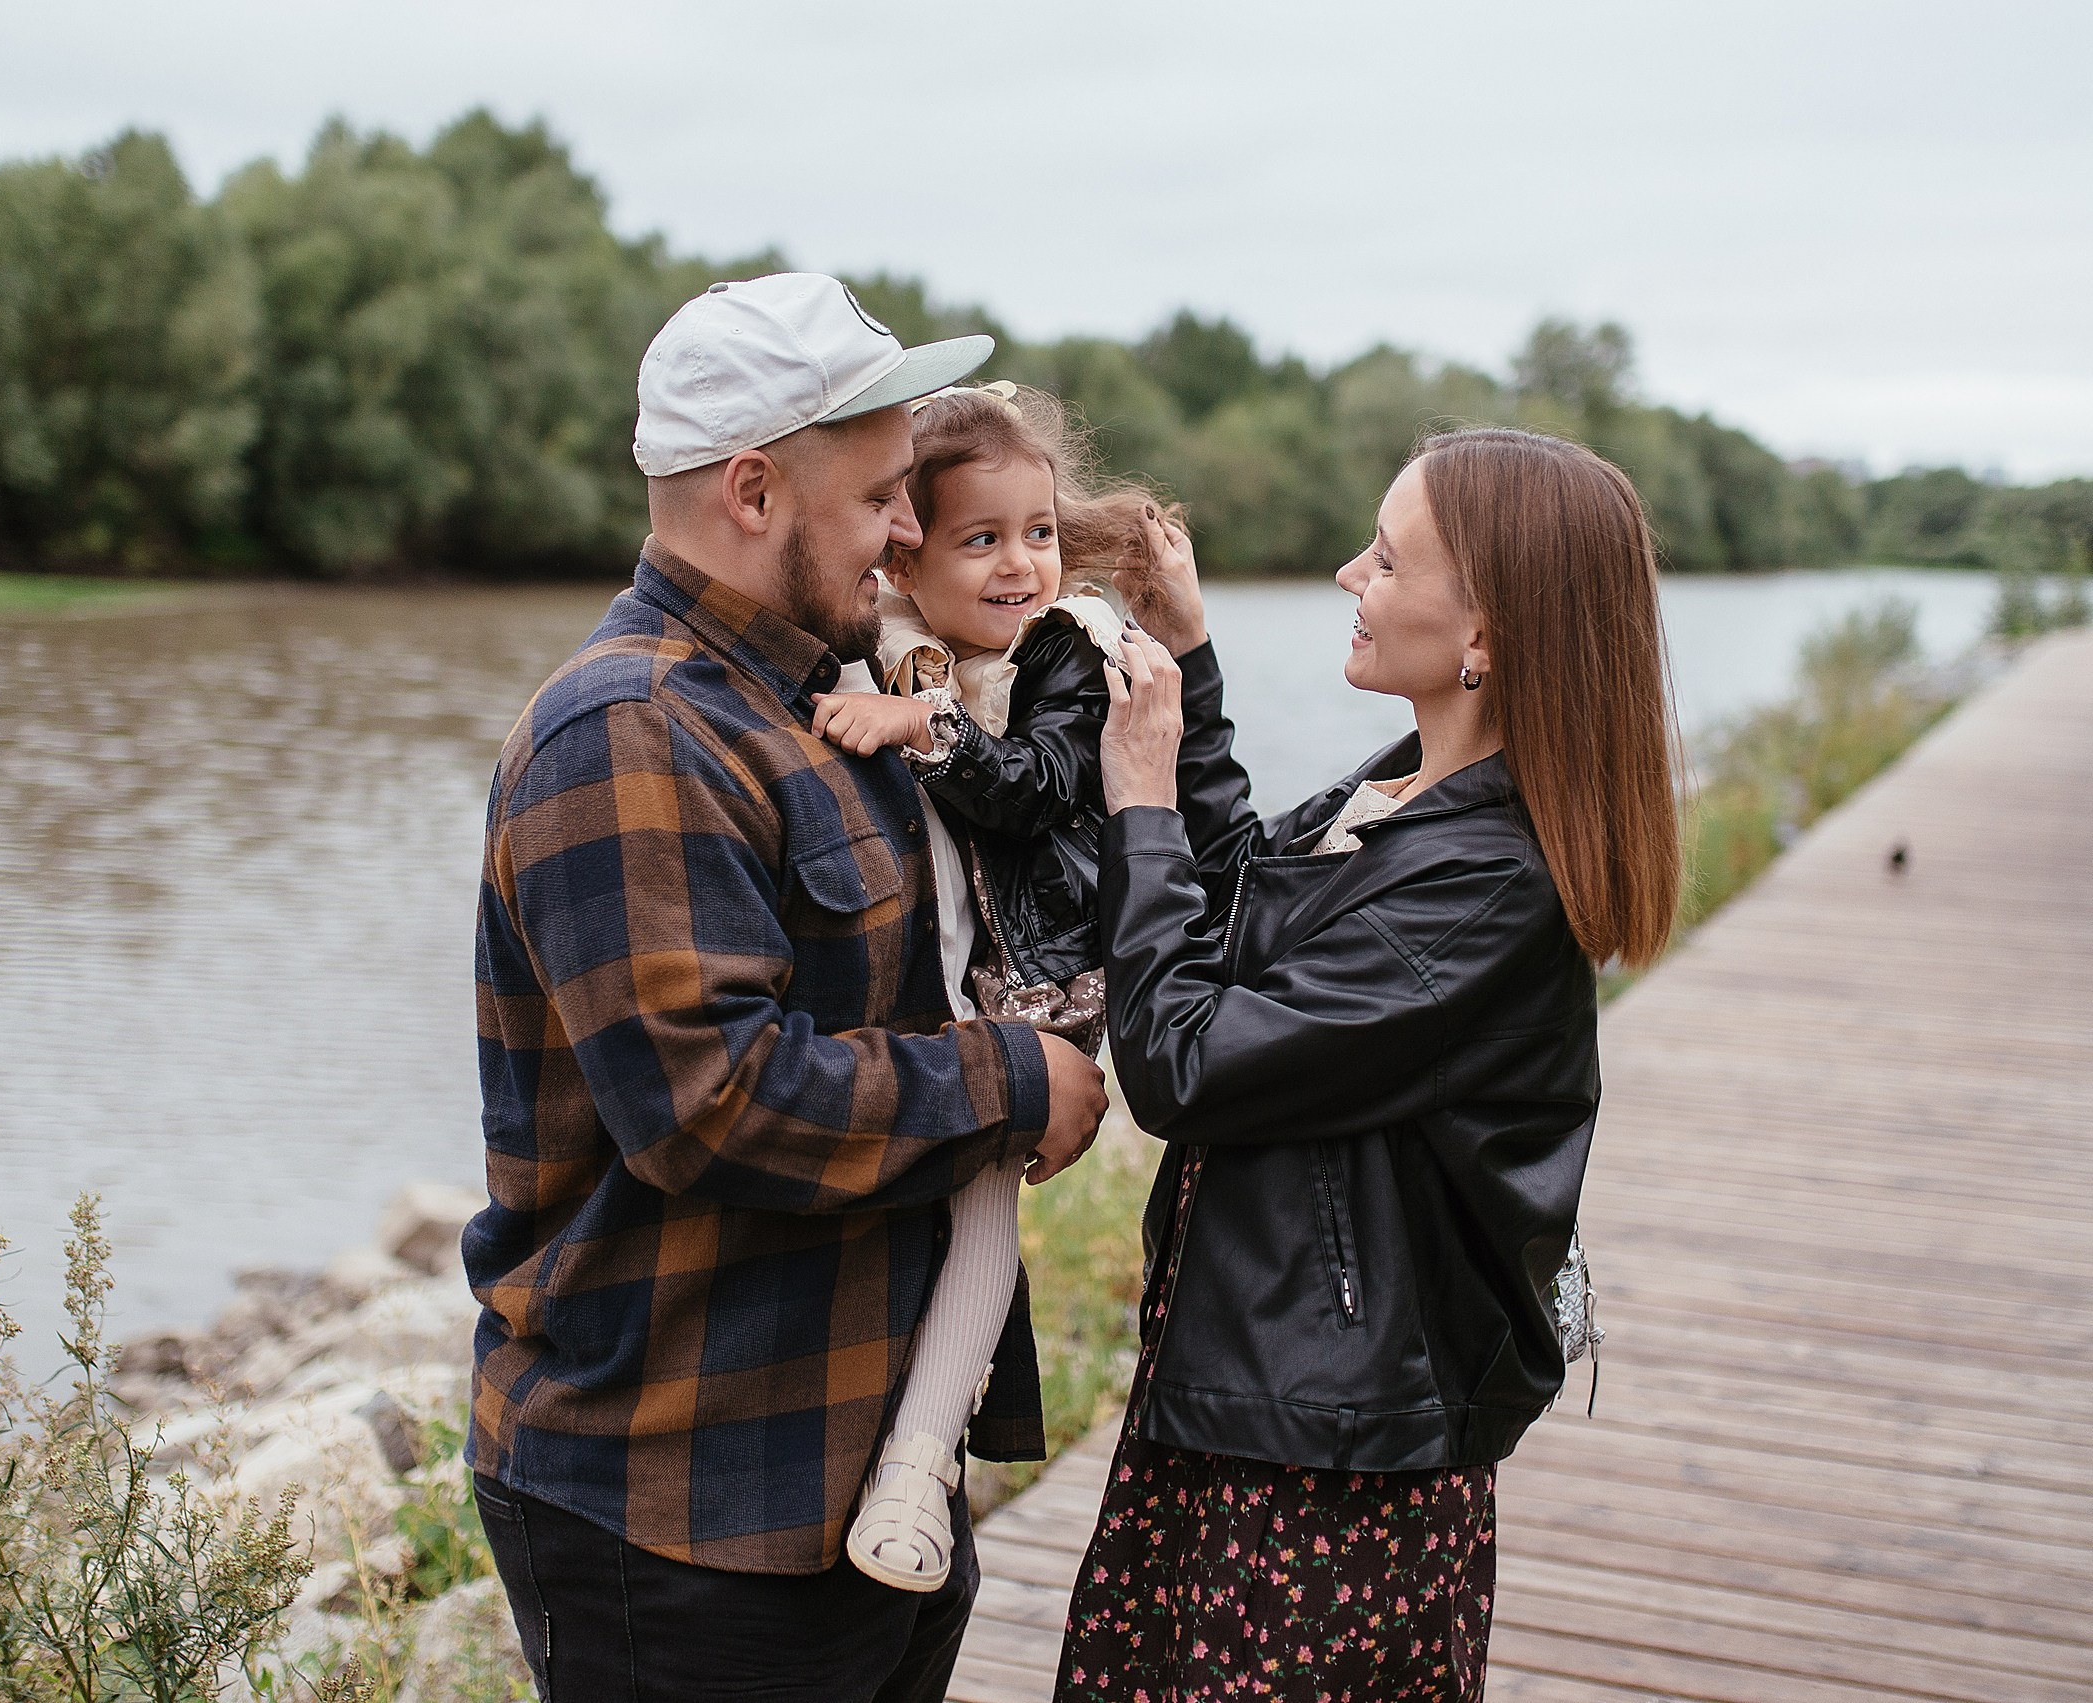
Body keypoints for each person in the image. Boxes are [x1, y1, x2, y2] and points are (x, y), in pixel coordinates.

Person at [467, 271, 1111, 1703]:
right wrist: (1012, 1079)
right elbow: (708, 1098)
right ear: (753, 491)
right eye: (883, 493)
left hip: (852, 1472)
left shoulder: (823, 694)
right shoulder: (632, 726)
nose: (905, 530)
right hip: (679, 1503)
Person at [1060, 428, 1683, 1702]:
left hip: (1328, 1468)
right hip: (1267, 1393)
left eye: (1386, 558)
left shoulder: (1487, 883)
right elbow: (1237, 912)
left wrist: (1135, 803)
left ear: (1487, 636)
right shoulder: (1410, 792)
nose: (1350, 572)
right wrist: (1187, 657)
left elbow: (1184, 1060)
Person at [802, 381, 1163, 1592]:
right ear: (913, 545)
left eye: (1041, 532)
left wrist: (918, 728)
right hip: (937, 975)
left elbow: (1037, 785)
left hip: (1033, 979)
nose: (1021, 565)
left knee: (977, 1200)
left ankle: (919, 1458)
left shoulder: (1066, 650)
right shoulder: (888, 636)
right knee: (923, 1180)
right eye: (983, 538)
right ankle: (880, 1436)